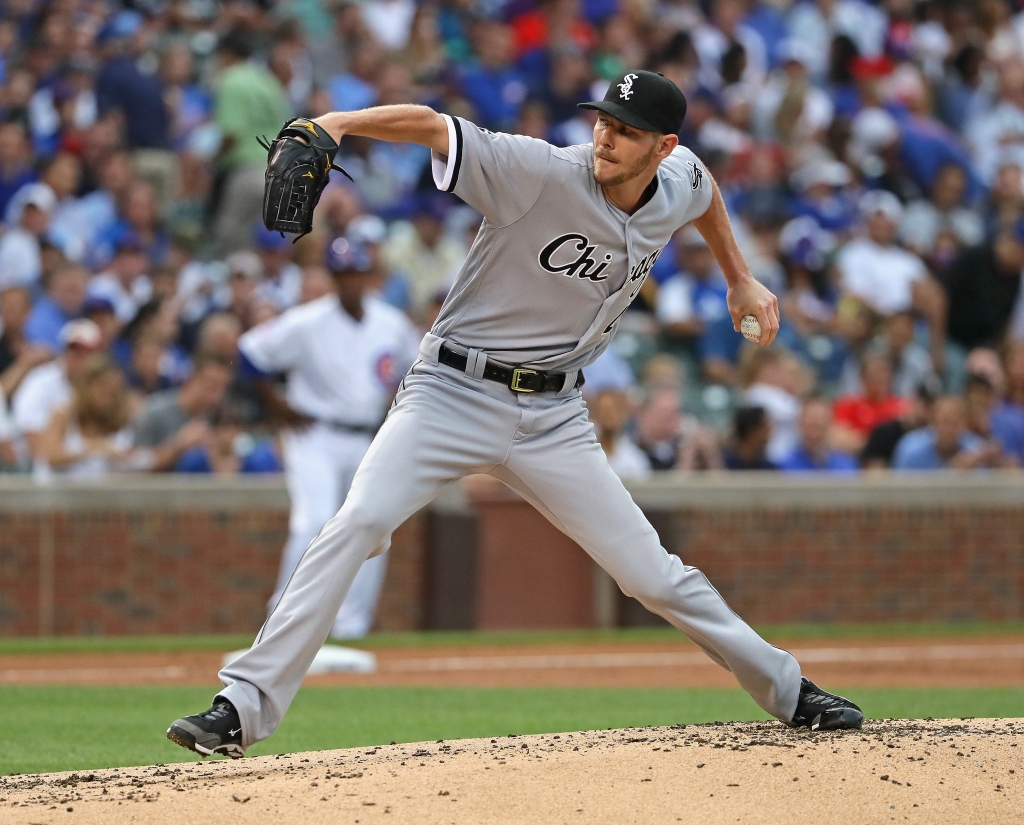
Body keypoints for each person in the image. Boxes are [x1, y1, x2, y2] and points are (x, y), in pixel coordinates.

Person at [167, 71, 862, 760]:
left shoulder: (674, 179)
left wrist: (739, 274)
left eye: (627, 132)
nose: (606, 138)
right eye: (604, 122)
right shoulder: (540, 171)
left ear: (662, 145)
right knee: (357, 523)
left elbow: (703, 189)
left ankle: (788, 690)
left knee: (652, 574)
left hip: (556, 414)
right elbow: (434, 126)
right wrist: (338, 125)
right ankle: (241, 706)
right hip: (452, 391)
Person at [236, 237, 419, 641]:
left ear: (368, 276)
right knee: (313, 520)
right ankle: (281, 624)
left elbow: (417, 368)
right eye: (343, 274)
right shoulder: (307, 321)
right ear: (334, 278)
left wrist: (396, 407)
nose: (350, 282)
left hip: (368, 436)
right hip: (315, 434)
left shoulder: (390, 322)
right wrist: (277, 405)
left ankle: (351, 627)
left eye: (356, 273)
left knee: (371, 525)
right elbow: (250, 353)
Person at [38, 354, 158, 477]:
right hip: (56, 493)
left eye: (114, 393)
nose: (108, 398)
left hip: (100, 493)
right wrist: (94, 448)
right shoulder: (62, 414)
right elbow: (51, 457)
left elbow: (140, 458)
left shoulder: (120, 419)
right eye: (103, 391)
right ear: (87, 387)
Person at [130, 351, 232, 469]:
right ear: (192, 378)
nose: (217, 394)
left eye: (222, 387)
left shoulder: (217, 416)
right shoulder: (153, 411)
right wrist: (180, 445)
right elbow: (134, 465)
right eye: (212, 385)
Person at [892, 395, 997, 470]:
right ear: (932, 421)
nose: (948, 428)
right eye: (944, 422)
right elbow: (900, 492)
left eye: (954, 423)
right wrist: (954, 468)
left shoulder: (976, 449)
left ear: (964, 424)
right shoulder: (910, 448)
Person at [778, 397, 858, 473]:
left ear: (830, 422)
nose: (816, 422)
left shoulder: (846, 465)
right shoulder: (784, 465)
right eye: (811, 418)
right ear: (799, 422)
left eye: (820, 418)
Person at [23, 263, 88, 353]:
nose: (73, 296)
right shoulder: (39, 319)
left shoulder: (92, 309)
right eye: (70, 290)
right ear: (52, 289)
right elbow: (43, 353)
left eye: (78, 290)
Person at [589, 386, 651, 479]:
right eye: (603, 411)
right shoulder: (584, 452)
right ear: (595, 414)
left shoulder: (635, 459)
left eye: (612, 411)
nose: (608, 416)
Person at [722, 405, 777, 470]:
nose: (769, 434)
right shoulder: (721, 466)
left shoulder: (769, 469)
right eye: (766, 428)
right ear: (752, 431)